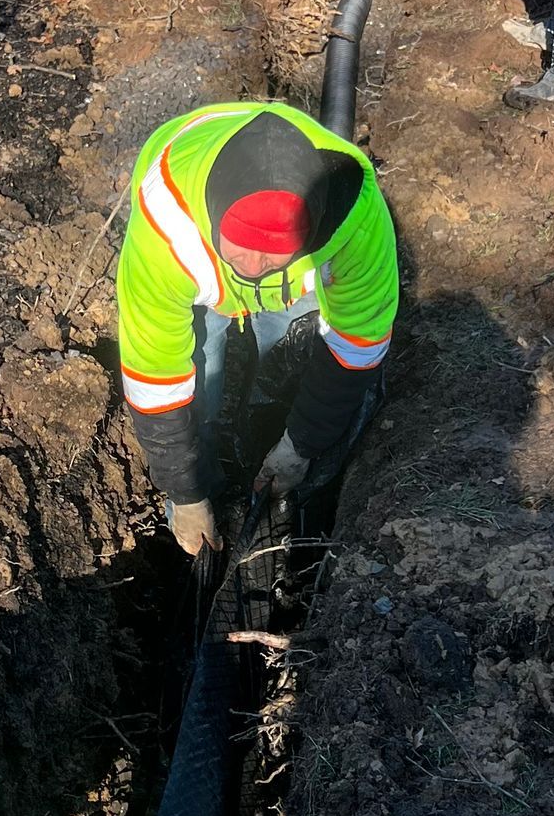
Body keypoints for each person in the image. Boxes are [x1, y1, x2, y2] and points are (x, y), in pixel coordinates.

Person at [116, 101, 398, 556]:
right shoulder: (165, 234)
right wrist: (185, 494)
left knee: (286, 342)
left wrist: (300, 445)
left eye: (270, 253)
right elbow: (155, 375)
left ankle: (265, 436)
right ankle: (210, 474)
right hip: (193, 243)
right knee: (199, 370)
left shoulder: (356, 227)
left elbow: (356, 345)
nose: (250, 267)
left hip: (294, 266)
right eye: (241, 248)